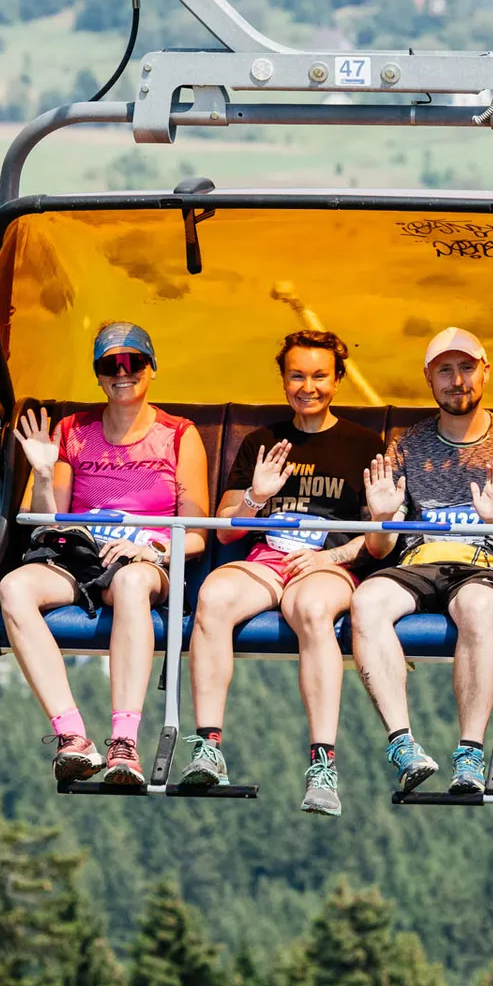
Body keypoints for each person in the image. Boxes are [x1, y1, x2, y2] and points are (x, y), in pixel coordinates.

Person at [183, 330, 385, 815]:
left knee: (311, 608)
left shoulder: (362, 446)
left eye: (319, 376)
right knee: (212, 596)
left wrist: (331, 559)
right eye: (297, 376)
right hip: (267, 559)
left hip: (327, 563)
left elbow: (380, 541)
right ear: (283, 381)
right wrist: (258, 495)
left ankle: (322, 763)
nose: (307, 386)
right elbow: (229, 531)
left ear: (337, 381)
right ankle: (208, 745)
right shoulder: (262, 443)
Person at [0, 322, 208, 785]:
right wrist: (40, 471)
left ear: (151, 368)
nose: (122, 372)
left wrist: (147, 547)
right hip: (80, 554)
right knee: (13, 588)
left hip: (143, 558)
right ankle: (72, 735)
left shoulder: (178, 435)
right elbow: (46, 521)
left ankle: (125, 741)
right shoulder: (73, 432)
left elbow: (196, 535)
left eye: (133, 362)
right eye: (110, 364)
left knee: (132, 583)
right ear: (98, 374)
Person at [351, 327, 493, 795]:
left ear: (485, 372)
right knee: (367, 600)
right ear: (429, 378)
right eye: (445, 370)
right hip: (418, 562)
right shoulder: (407, 444)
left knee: (478, 609)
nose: (456, 381)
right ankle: (402, 742)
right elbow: (380, 550)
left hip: (483, 562)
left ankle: (470, 753)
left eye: (466, 368)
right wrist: (380, 518)